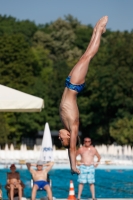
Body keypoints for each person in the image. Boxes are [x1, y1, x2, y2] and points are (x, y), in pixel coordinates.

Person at [58, 16, 108, 174]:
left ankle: (96, 31)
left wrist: (69, 162)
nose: (59, 138)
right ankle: (99, 31)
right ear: (68, 137)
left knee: (85, 55)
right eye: (62, 140)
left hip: (69, 83)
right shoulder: (73, 127)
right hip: (74, 85)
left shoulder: (66, 125)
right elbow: (72, 148)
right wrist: (73, 166)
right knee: (88, 56)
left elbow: (69, 148)